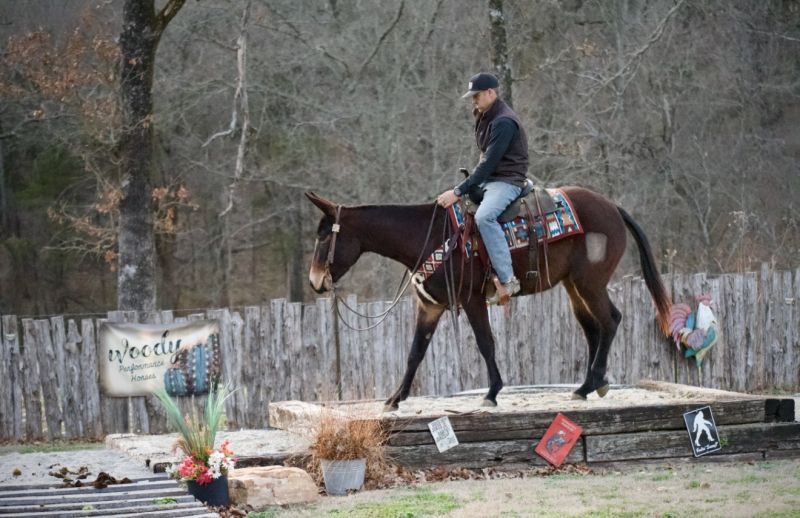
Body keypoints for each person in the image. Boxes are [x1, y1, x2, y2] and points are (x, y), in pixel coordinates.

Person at [437, 72, 529, 305]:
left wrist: (457, 191)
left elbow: (488, 164)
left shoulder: (504, 121)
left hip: (507, 181)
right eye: (472, 96)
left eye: (476, 95)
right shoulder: (485, 116)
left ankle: (508, 280)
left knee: (484, 217)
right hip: (491, 179)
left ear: (490, 93)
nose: (473, 100)